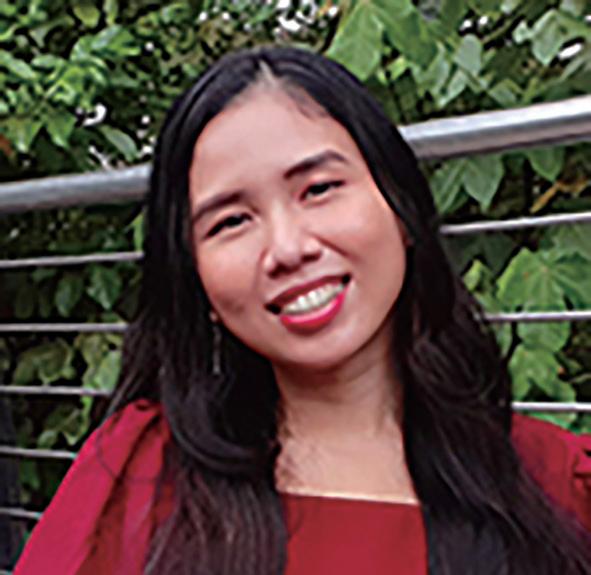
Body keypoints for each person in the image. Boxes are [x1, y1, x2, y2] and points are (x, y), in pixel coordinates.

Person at [14, 46, 591, 575]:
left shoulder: (552, 482)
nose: (288, 249)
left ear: (401, 209)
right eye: (231, 221)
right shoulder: (137, 481)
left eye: (318, 189)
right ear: (196, 281)